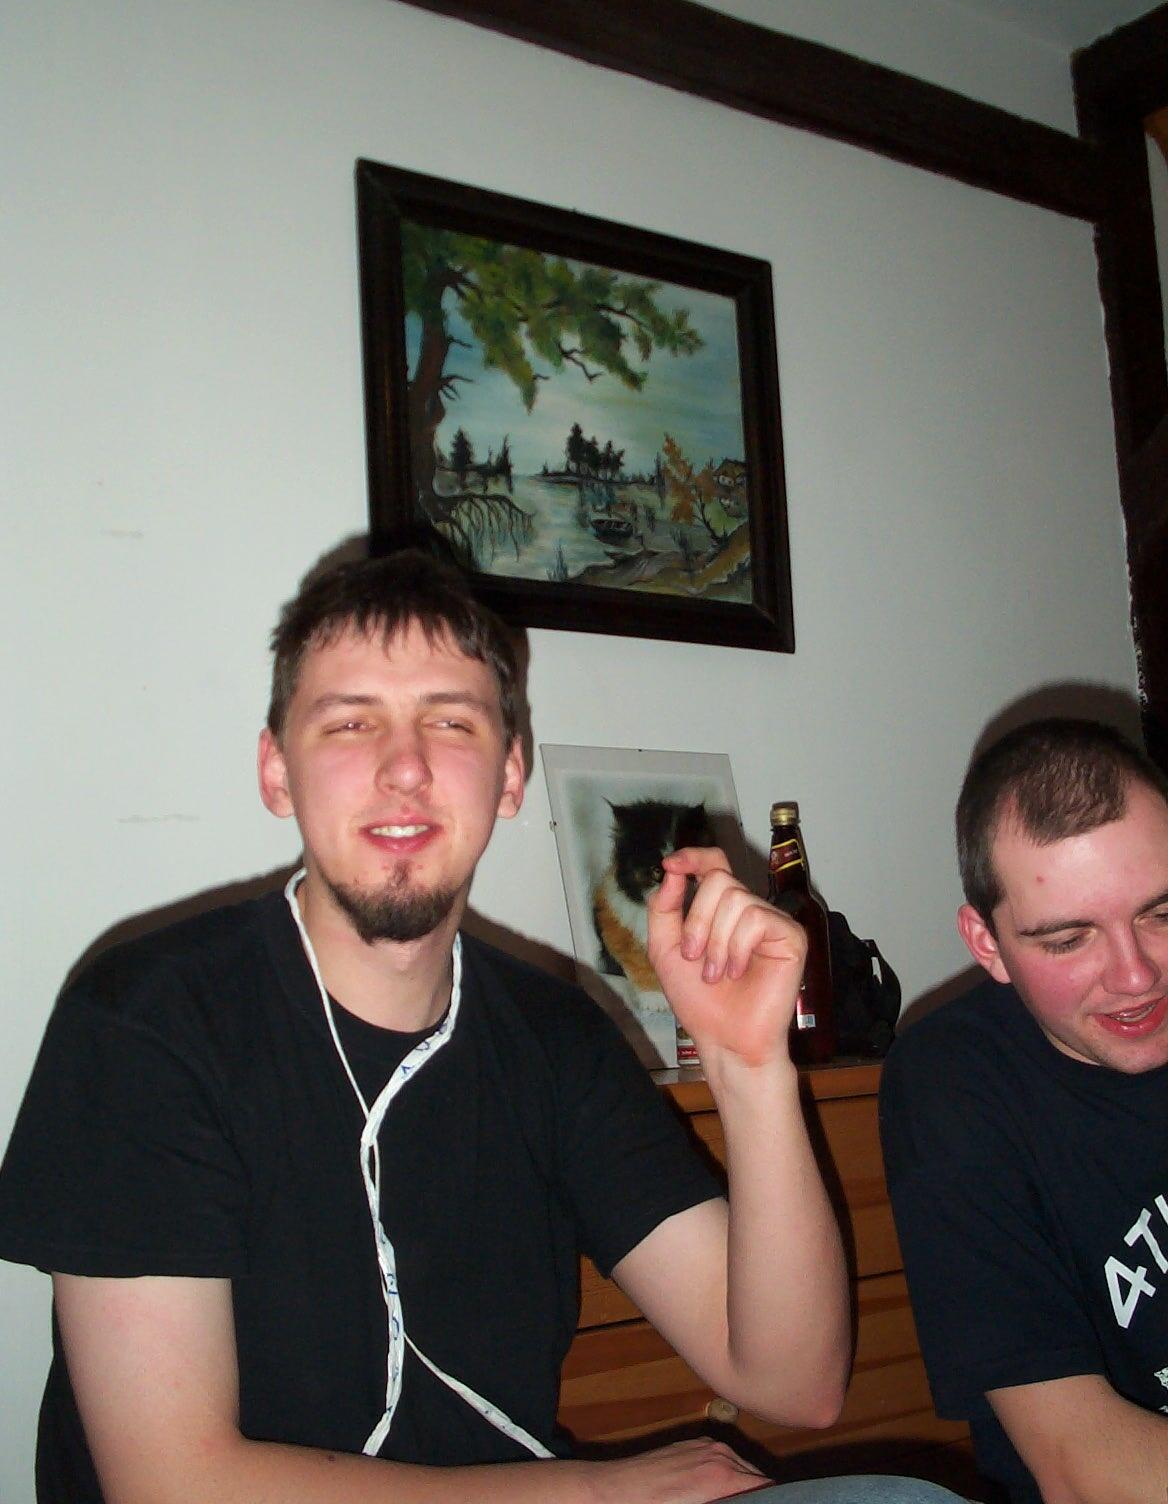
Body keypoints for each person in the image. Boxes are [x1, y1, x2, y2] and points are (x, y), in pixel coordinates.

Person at [0, 547, 962, 1504]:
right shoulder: (145, 1023)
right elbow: (170, 1484)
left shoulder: (554, 1037)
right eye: (350, 722)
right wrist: (595, 1495)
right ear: (277, 772)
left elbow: (794, 1383)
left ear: (509, 774)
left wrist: (748, 1066)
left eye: (449, 721)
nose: (405, 767)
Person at [880, 716, 1168, 1504]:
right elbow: (1081, 1466)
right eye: (1069, 939)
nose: (1136, 975)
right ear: (987, 945)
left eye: (1161, 913)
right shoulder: (953, 1084)